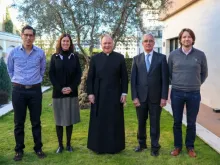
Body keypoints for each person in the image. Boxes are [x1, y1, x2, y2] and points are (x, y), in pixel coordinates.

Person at [7, 25, 46, 161]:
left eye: (31, 35)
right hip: (18, 91)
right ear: (21, 36)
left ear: (34, 37)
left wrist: (34, 81)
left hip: (35, 91)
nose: (28, 37)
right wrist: (18, 81)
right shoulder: (14, 53)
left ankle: (38, 148)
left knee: (36, 121)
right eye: (26, 35)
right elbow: (10, 70)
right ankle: (19, 150)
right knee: (19, 122)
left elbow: (42, 70)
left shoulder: (40, 53)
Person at [169, 28, 208, 157]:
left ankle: (190, 147)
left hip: (194, 94)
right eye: (184, 37)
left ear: (193, 39)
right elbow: (169, 73)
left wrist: (195, 84)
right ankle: (177, 146)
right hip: (177, 93)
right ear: (180, 39)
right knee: (177, 122)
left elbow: (204, 73)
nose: (187, 39)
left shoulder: (200, 55)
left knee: (191, 122)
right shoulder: (173, 55)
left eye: (189, 37)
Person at [86, 34, 128, 154]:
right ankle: (98, 147)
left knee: (114, 121)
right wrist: (90, 94)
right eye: (105, 43)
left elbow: (124, 78)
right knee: (99, 121)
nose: (107, 45)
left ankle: (115, 147)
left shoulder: (120, 58)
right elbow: (90, 78)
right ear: (101, 44)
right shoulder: (95, 59)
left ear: (113, 44)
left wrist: (124, 93)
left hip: (115, 94)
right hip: (98, 95)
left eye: (109, 43)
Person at [131, 34, 169, 156]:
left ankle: (155, 147)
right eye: (146, 41)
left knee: (155, 123)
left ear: (154, 43)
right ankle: (141, 144)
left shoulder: (161, 58)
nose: (148, 43)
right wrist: (134, 97)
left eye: (150, 41)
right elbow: (133, 80)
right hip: (140, 98)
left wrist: (164, 97)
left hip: (156, 98)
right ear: (142, 43)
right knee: (141, 122)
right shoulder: (136, 59)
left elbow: (165, 80)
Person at [49, 34, 82, 153]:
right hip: (58, 94)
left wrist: (71, 88)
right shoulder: (55, 57)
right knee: (59, 120)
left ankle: (68, 144)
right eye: (64, 41)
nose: (65, 43)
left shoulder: (75, 57)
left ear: (70, 43)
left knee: (69, 120)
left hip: (71, 93)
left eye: (67, 41)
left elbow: (79, 74)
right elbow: (51, 74)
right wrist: (60, 88)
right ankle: (60, 146)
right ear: (60, 42)